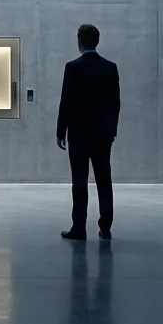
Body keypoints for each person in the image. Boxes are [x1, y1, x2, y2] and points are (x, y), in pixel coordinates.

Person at [56, 24, 121, 241]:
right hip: (103, 135)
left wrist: (60, 131)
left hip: (79, 135)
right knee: (104, 180)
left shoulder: (72, 67)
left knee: (79, 182)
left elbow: (66, 102)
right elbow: (115, 104)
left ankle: (79, 228)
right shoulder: (110, 68)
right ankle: (106, 228)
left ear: (80, 42)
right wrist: (112, 130)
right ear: (97, 41)